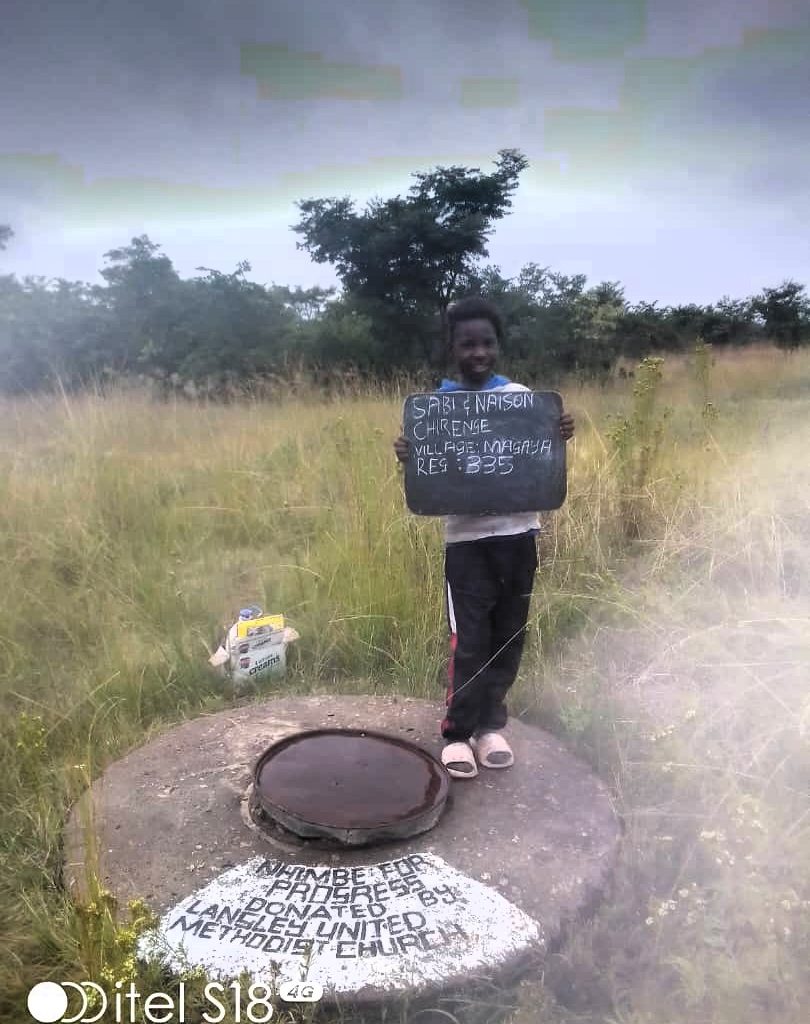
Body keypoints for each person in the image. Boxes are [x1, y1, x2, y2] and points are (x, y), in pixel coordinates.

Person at [393, 296, 575, 779]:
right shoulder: (437, 411)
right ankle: (457, 733)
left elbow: (540, 449)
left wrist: (559, 432)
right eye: (467, 344)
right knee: (470, 639)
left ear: (499, 347)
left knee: (508, 635)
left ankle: (491, 726)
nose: (479, 353)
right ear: (451, 349)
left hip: (520, 537)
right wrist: (411, 455)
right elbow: (430, 476)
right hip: (468, 544)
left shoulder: (520, 397)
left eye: (487, 343)